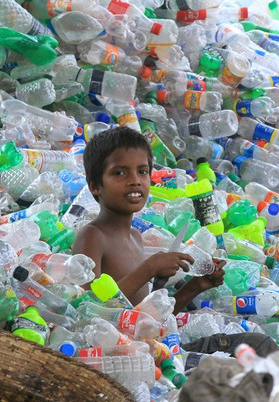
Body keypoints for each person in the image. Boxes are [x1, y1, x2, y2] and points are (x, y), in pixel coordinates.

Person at [72, 127, 226, 313]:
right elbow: (87, 310)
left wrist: (196, 286)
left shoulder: (135, 237)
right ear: (95, 186)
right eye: (120, 173)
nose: (135, 180)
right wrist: (149, 268)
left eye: (143, 171)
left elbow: (143, 318)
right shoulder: (92, 236)